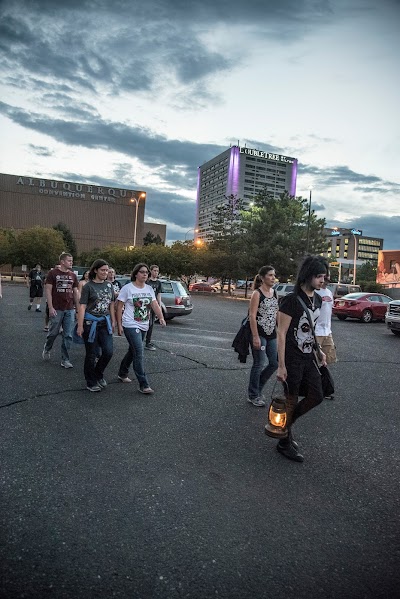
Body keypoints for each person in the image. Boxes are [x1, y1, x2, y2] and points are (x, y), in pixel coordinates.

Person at [273, 255, 329, 463]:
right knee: (291, 398)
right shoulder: (290, 300)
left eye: (324, 276)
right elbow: (281, 333)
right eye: (319, 276)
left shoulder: (318, 299)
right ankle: (284, 441)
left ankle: (284, 428)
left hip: (309, 357)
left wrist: (319, 350)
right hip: (292, 358)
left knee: (317, 395)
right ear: (307, 276)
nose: (322, 280)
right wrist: (281, 365)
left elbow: (311, 329)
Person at [117, 263, 166, 394]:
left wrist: (161, 317)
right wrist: (119, 324)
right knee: (139, 352)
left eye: (146, 272)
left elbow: (154, 304)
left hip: (144, 324)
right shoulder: (127, 288)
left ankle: (122, 372)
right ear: (136, 273)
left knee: (133, 351)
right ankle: (143, 384)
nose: (145, 274)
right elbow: (119, 306)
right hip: (130, 324)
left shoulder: (149, 289)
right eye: (142, 272)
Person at [77, 259, 116, 392]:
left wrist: (113, 320)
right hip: (90, 323)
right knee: (91, 354)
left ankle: (98, 374)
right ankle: (91, 381)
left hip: (105, 323)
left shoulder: (109, 286)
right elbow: (82, 306)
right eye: (103, 270)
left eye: (107, 270)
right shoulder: (88, 286)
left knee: (108, 351)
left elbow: (111, 304)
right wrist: (80, 325)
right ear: (95, 270)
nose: (106, 273)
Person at [247, 265, 279, 406]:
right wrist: (255, 337)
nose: (273, 278)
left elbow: (277, 313)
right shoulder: (257, 294)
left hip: (272, 334)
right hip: (259, 334)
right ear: (262, 277)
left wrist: (281, 330)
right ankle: (253, 395)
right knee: (259, 363)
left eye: (274, 275)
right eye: (270, 275)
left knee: (274, 363)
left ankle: (257, 388)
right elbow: (252, 316)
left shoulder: (275, 293)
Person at [42, 252, 79, 368]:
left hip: (69, 309)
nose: (71, 263)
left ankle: (65, 359)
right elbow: (48, 290)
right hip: (57, 308)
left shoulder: (73, 276)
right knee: (53, 333)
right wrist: (50, 307)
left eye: (72, 261)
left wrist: (77, 309)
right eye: (69, 260)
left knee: (68, 335)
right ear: (62, 261)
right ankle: (47, 348)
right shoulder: (53, 273)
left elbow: (76, 292)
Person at [315, 275, 337, 400]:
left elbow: (329, 311)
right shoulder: (315, 292)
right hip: (316, 331)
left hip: (327, 331)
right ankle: (311, 387)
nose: (325, 282)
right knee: (313, 361)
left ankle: (323, 387)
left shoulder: (329, 292)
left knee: (326, 361)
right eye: (324, 279)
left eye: (328, 280)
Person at [145, 265, 162, 351]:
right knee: (146, 323)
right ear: (151, 271)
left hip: (154, 306)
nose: (156, 272)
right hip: (147, 306)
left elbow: (159, 294)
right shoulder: (147, 281)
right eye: (154, 270)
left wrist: (159, 305)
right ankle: (141, 340)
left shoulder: (158, 283)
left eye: (157, 271)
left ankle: (148, 342)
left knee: (151, 325)